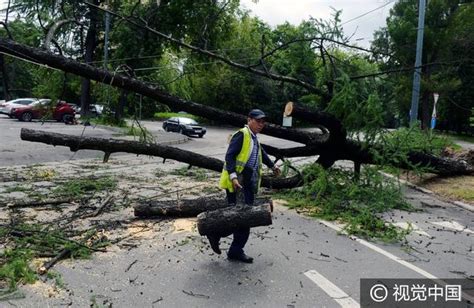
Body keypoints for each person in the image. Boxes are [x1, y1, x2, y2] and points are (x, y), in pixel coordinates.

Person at [208, 109, 280, 263]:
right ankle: (224, 240)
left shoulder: (254, 138)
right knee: (242, 217)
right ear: (249, 120)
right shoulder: (242, 134)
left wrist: (273, 166)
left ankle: (227, 243)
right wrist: (233, 177)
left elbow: (262, 154)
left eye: (263, 122)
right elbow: (230, 155)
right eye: (258, 121)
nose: (261, 124)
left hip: (247, 183)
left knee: (240, 217)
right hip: (238, 183)